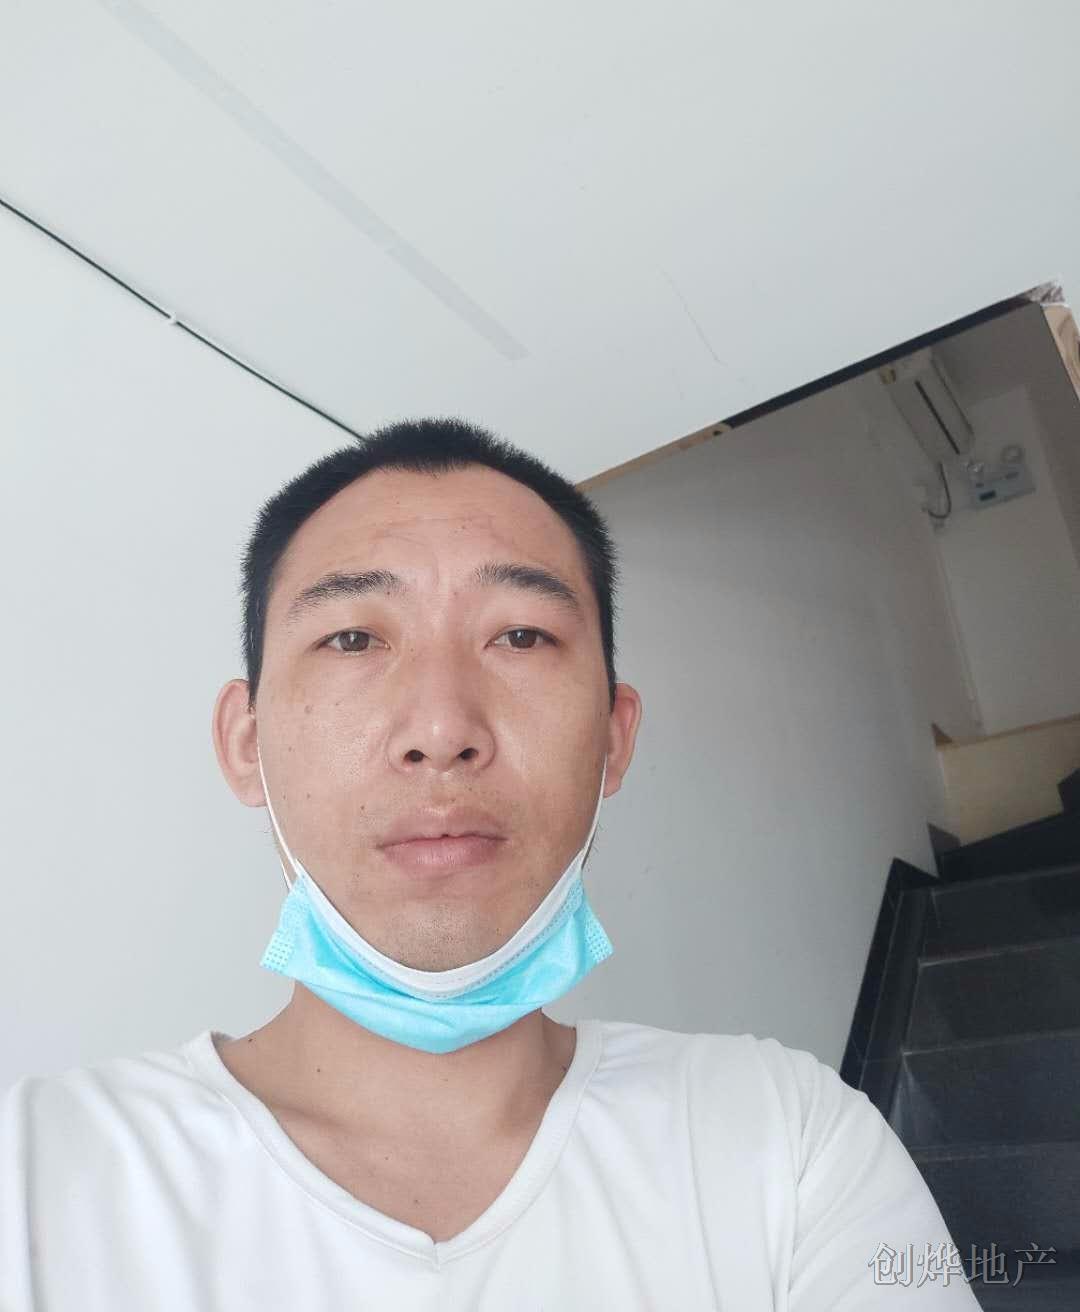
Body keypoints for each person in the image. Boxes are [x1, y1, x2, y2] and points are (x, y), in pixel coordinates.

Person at [1, 417, 977, 1309]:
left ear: (613, 737)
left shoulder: (789, 1144)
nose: (441, 729)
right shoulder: (34, 1177)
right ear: (246, 744)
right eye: (352, 637)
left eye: (520, 634)